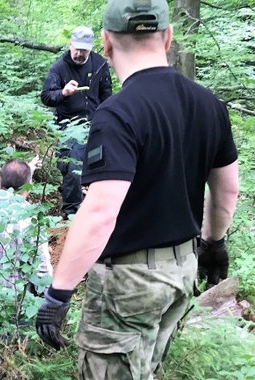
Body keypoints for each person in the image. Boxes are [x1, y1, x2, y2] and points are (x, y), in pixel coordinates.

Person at [34, 1, 239, 379]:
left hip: (130, 282)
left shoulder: (117, 113)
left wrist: (58, 293)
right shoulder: (210, 104)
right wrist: (214, 242)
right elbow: (227, 191)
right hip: (182, 269)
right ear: (168, 37)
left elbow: (99, 212)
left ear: (107, 44)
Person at [40, 26, 113, 217]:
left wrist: (108, 120)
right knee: (72, 166)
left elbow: (107, 95)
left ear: (91, 47)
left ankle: (101, 209)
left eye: (84, 50)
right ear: (70, 44)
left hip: (96, 123)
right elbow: (46, 96)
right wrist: (63, 93)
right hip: (69, 125)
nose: (80, 53)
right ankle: (71, 212)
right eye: (77, 49)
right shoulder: (59, 67)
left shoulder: (99, 64)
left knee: (105, 164)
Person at [0, 158, 53, 293]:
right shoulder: (29, 219)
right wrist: (51, 297)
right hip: (11, 297)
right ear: (28, 186)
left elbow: (12, 181)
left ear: (0, 180)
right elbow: (42, 268)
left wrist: (29, 168)